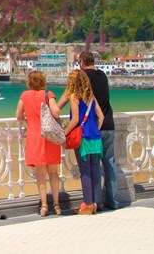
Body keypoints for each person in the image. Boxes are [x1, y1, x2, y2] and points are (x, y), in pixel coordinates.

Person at [59, 51, 125, 210]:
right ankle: (110, 201)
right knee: (107, 164)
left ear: (81, 62)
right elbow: (100, 112)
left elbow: (69, 113)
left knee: (87, 169)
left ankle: (91, 203)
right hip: (106, 126)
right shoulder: (103, 75)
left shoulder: (80, 82)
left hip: (88, 132)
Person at [16, 71, 64, 216]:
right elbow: (56, 112)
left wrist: (29, 119)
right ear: (43, 81)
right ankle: (56, 204)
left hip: (35, 137)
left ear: (29, 82)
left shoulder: (24, 96)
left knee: (41, 174)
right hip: (49, 137)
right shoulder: (49, 95)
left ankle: (44, 206)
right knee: (53, 172)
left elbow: (18, 115)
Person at [63, 69, 105, 215]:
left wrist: (64, 133)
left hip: (84, 139)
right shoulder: (91, 96)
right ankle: (96, 202)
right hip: (96, 138)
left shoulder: (74, 97)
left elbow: (75, 120)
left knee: (85, 171)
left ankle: (87, 203)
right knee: (95, 169)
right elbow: (101, 117)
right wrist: (95, 129)